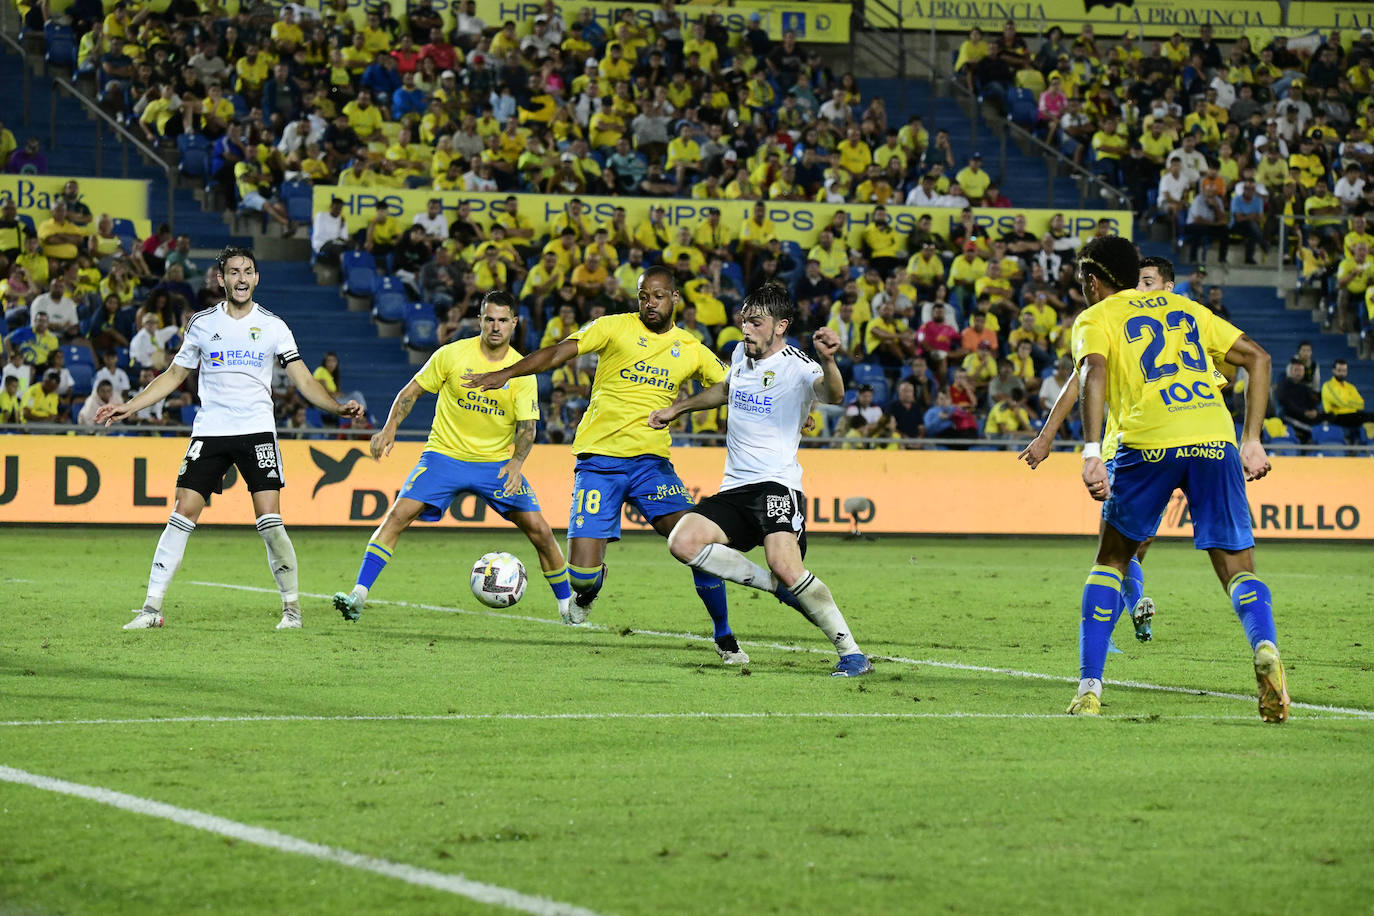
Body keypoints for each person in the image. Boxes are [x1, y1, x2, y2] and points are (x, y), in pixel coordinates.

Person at [464, 266, 759, 664]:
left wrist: (791, 412)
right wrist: (506, 372)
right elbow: (557, 352)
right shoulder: (612, 327)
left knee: (698, 547)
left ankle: (724, 636)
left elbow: (732, 388)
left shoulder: (690, 348)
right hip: (599, 463)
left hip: (652, 466)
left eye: (657, 296)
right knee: (580, 578)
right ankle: (592, 586)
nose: (649, 303)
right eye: (643, 296)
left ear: (675, 298)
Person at [1060, 236, 1285, 722]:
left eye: (1083, 281)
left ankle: (1089, 690)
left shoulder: (1095, 318)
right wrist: (1252, 439)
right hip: (1214, 435)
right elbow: (1259, 359)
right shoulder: (1185, 307)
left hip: (1148, 440)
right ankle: (1264, 644)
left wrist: (1091, 450)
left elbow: (1092, 373)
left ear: (1094, 280)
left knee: (1112, 560)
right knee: (1238, 568)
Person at [96, 247, 363, 631]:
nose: (241, 278)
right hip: (211, 431)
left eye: (248, 271)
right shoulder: (202, 324)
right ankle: (151, 609)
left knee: (270, 521)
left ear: (256, 278)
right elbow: (174, 375)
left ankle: (292, 610)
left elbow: (303, 379)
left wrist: (336, 408)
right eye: (234, 272)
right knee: (181, 512)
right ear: (221, 279)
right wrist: (130, 406)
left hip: (256, 431)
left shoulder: (273, 326)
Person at [646, 284, 873, 676]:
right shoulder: (740, 353)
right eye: (744, 320)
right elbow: (726, 388)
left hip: (776, 485)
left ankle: (852, 653)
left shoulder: (798, 364)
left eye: (756, 322)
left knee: (785, 565)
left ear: (780, 326)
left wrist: (830, 361)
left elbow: (831, 393)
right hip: (735, 488)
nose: (746, 329)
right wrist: (678, 408)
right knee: (682, 542)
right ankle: (774, 587)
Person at [333, 292, 573, 623]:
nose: (496, 326)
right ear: (479, 321)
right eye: (489, 319)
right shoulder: (452, 354)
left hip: (494, 464)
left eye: (503, 320)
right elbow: (411, 392)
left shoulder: (521, 372)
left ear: (514, 323)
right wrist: (389, 430)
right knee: (397, 517)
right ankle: (358, 595)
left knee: (540, 531)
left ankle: (567, 606)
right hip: (444, 456)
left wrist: (516, 462)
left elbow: (527, 428)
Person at [1018, 256, 1185, 643]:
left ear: (1167, 287)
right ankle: (1124, 616)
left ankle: (1118, 620)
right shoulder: (1115, 322)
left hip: (1156, 445)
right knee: (1120, 546)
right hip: (1128, 446)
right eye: (1137, 280)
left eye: (1148, 281)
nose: (1140, 288)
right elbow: (1082, 376)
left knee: (1130, 547)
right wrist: (1047, 435)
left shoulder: (1180, 325)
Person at [1320, 358, 1374, 429]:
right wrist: (1351, 403)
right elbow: (1340, 402)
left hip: (1352, 415)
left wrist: (1345, 403)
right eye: (1339, 370)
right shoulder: (1327, 386)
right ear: (1333, 371)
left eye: (1344, 371)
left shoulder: (1351, 387)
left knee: (1370, 416)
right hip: (1336, 416)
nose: (1342, 373)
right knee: (1365, 417)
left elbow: (1361, 404)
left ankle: (1369, 439)